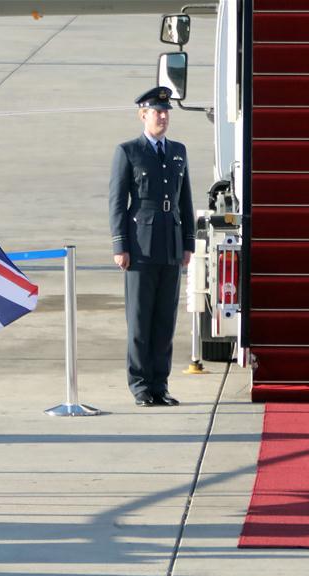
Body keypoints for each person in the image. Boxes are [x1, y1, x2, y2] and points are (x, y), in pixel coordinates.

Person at [109, 86, 195, 407]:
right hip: (140, 247)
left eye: (166, 112)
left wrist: (188, 243)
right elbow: (118, 202)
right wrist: (120, 245)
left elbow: (185, 200)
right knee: (140, 319)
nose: (163, 117)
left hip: (170, 245)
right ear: (143, 115)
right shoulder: (129, 152)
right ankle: (140, 385)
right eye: (157, 112)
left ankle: (160, 385)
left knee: (164, 321)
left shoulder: (178, 151)